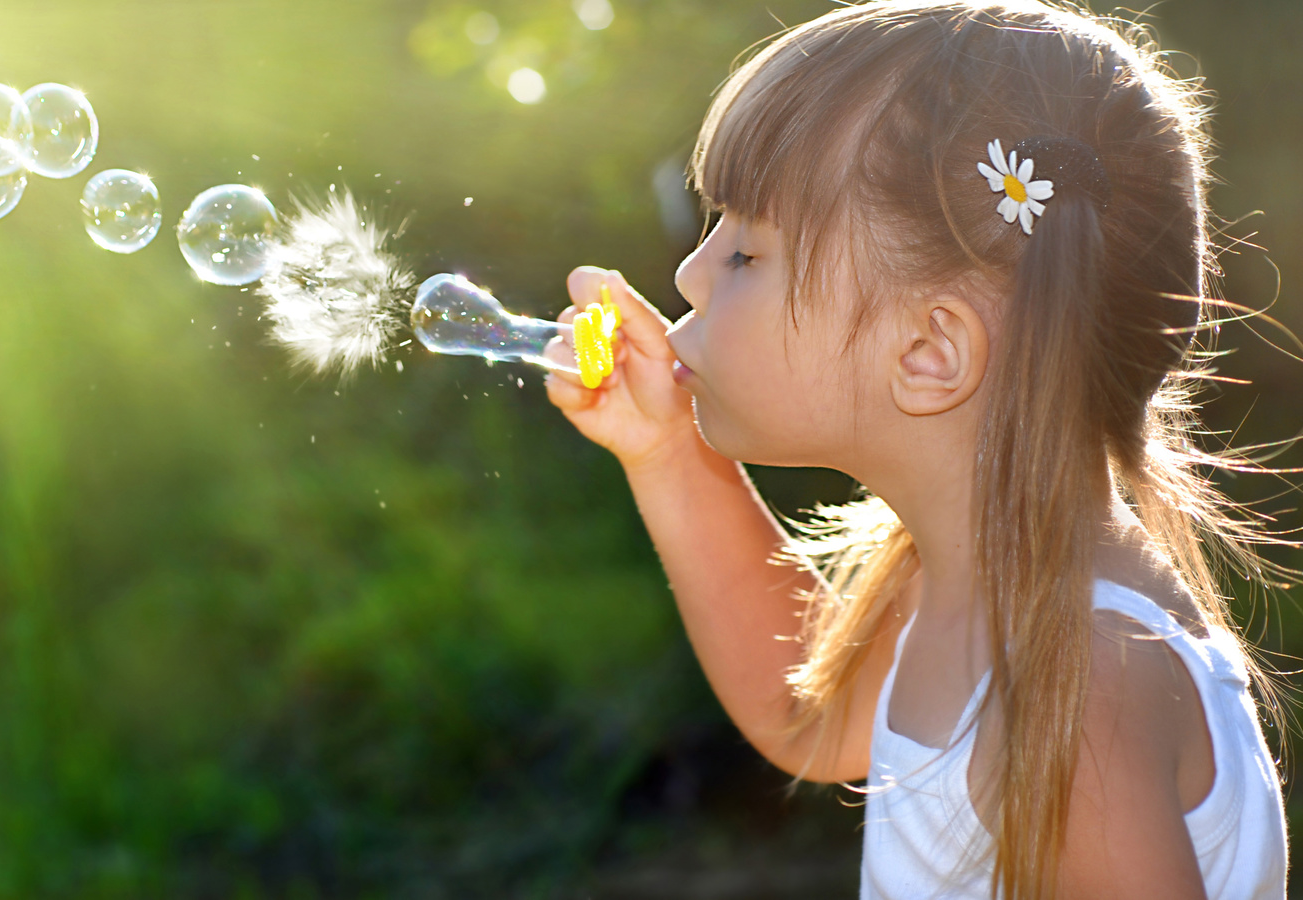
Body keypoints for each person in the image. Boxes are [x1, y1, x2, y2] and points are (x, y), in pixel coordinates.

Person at [544, 2, 1291, 897]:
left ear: (930, 353)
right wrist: (666, 449)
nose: (689, 274)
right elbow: (805, 716)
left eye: (746, 252)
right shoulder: (978, 580)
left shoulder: (1086, 692)